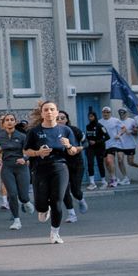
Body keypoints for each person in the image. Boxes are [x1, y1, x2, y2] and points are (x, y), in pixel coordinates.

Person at [27, 101, 78, 244]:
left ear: (56, 112)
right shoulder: (35, 131)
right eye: (46, 110)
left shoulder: (66, 130)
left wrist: (68, 145)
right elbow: (26, 151)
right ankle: (44, 209)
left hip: (60, 167)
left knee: (57, 201)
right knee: (40, 204)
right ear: (42, 113)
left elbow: (74, 151)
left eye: (52, 109)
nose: (49, 112)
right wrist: (38, 152)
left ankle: (55, 232)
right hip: (40, 169)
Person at [0, 113, 32, 230]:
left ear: (15, 122)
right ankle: (16, 220)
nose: (9, 122)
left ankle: (26, 202)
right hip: (7, 168)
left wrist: (24, 158)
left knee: (23, 196)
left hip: (21, 167)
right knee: (12, 194)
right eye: (7, 120)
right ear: (3, 123)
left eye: (12, 120)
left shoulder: (22, 136)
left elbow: (29, 151)